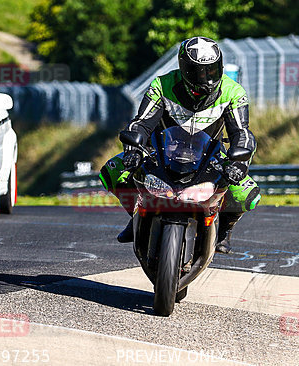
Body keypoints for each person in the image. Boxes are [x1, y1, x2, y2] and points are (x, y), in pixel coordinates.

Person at [99, 36, 260, 254]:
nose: (207, 78)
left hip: (211, 157)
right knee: (111, 171)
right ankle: (136, 214)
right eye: (200, 71)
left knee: (246, 194)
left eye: (212, 70)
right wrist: (134, 149)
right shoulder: (161, 86)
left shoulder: (234, 92)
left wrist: (239, 162)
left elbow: (241, 132)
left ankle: (224, 229)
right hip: (161, 153)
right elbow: (141, 122)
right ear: (184, 68)